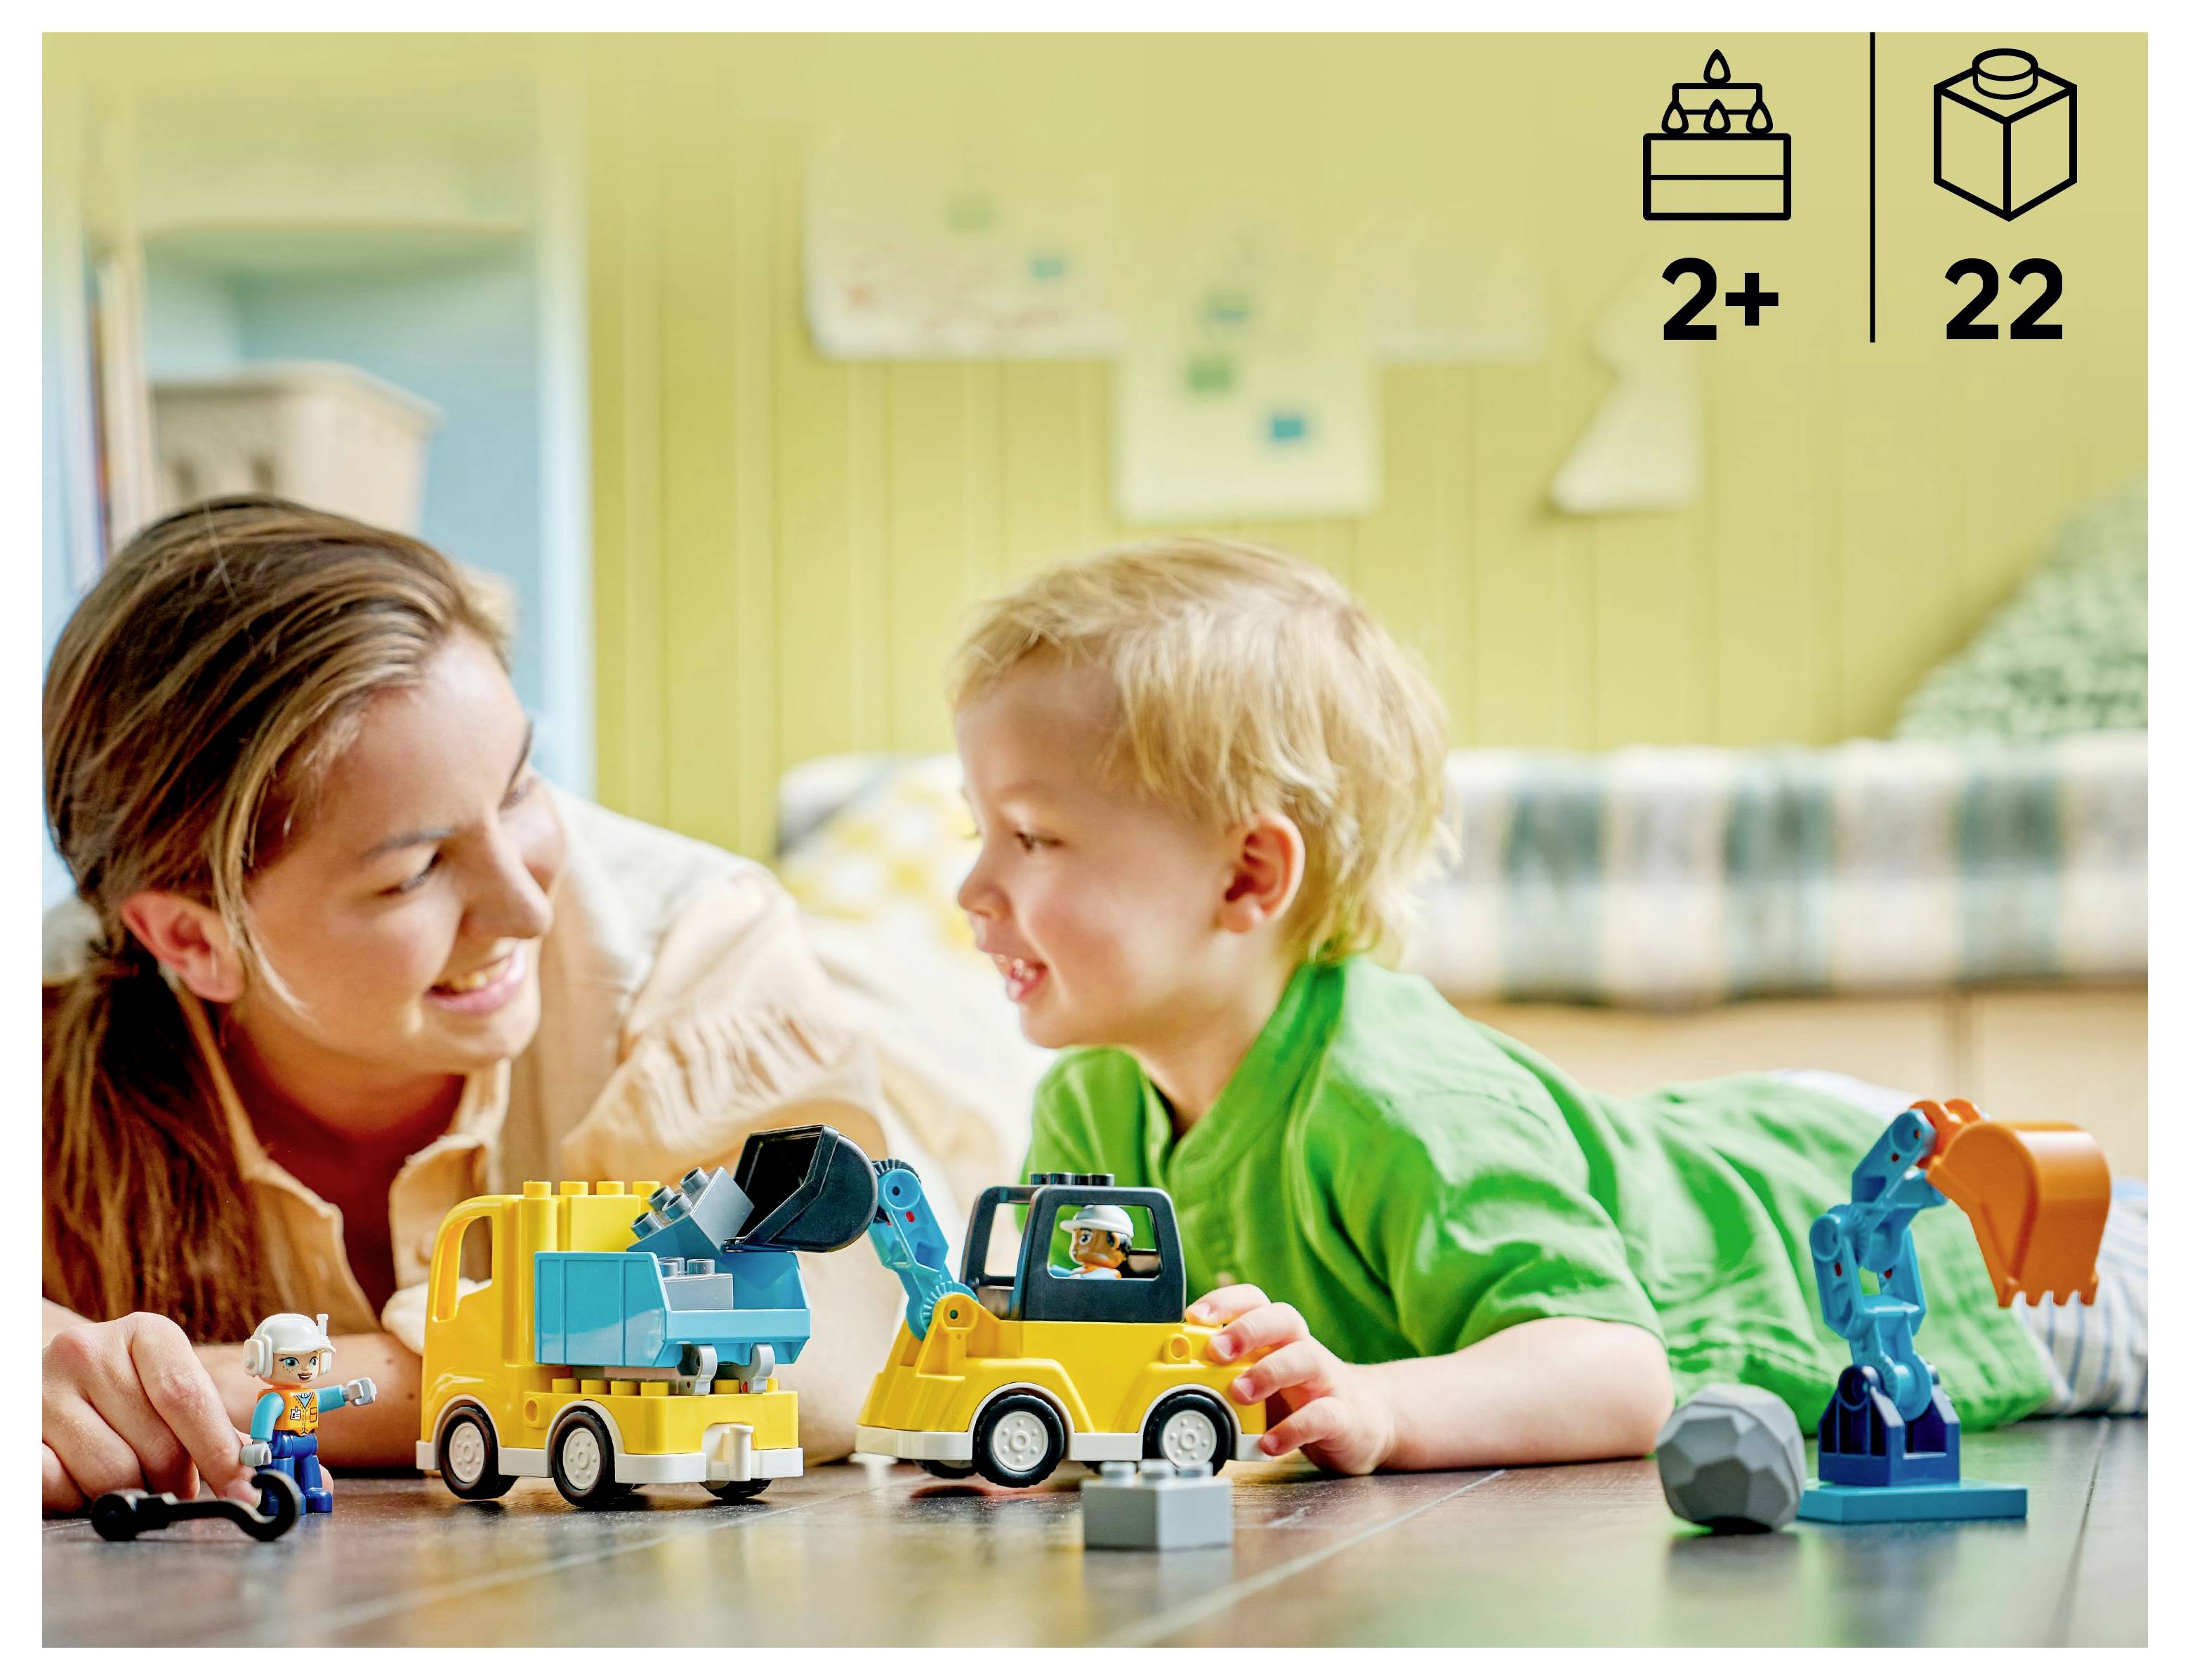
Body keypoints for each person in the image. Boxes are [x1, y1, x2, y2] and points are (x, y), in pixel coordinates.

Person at [950, 536, 2148, 1474]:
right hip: (1723, 1141)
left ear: (1248, 876)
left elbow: (1616, 1372)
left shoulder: (1394, 1097)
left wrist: (1383, 1402)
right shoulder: (1090, 1107)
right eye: (979, 831)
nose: (972, 888)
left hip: (1922, 1236)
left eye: (1033, 837)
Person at [41, 496, 949, 1514]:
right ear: (192, 941)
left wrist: (199, 1395)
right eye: (416, 872)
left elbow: (819, 1366)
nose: (526, 905)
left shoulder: (697, 939)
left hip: (937, 1049)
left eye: (521, 784)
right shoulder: (45, 1020)